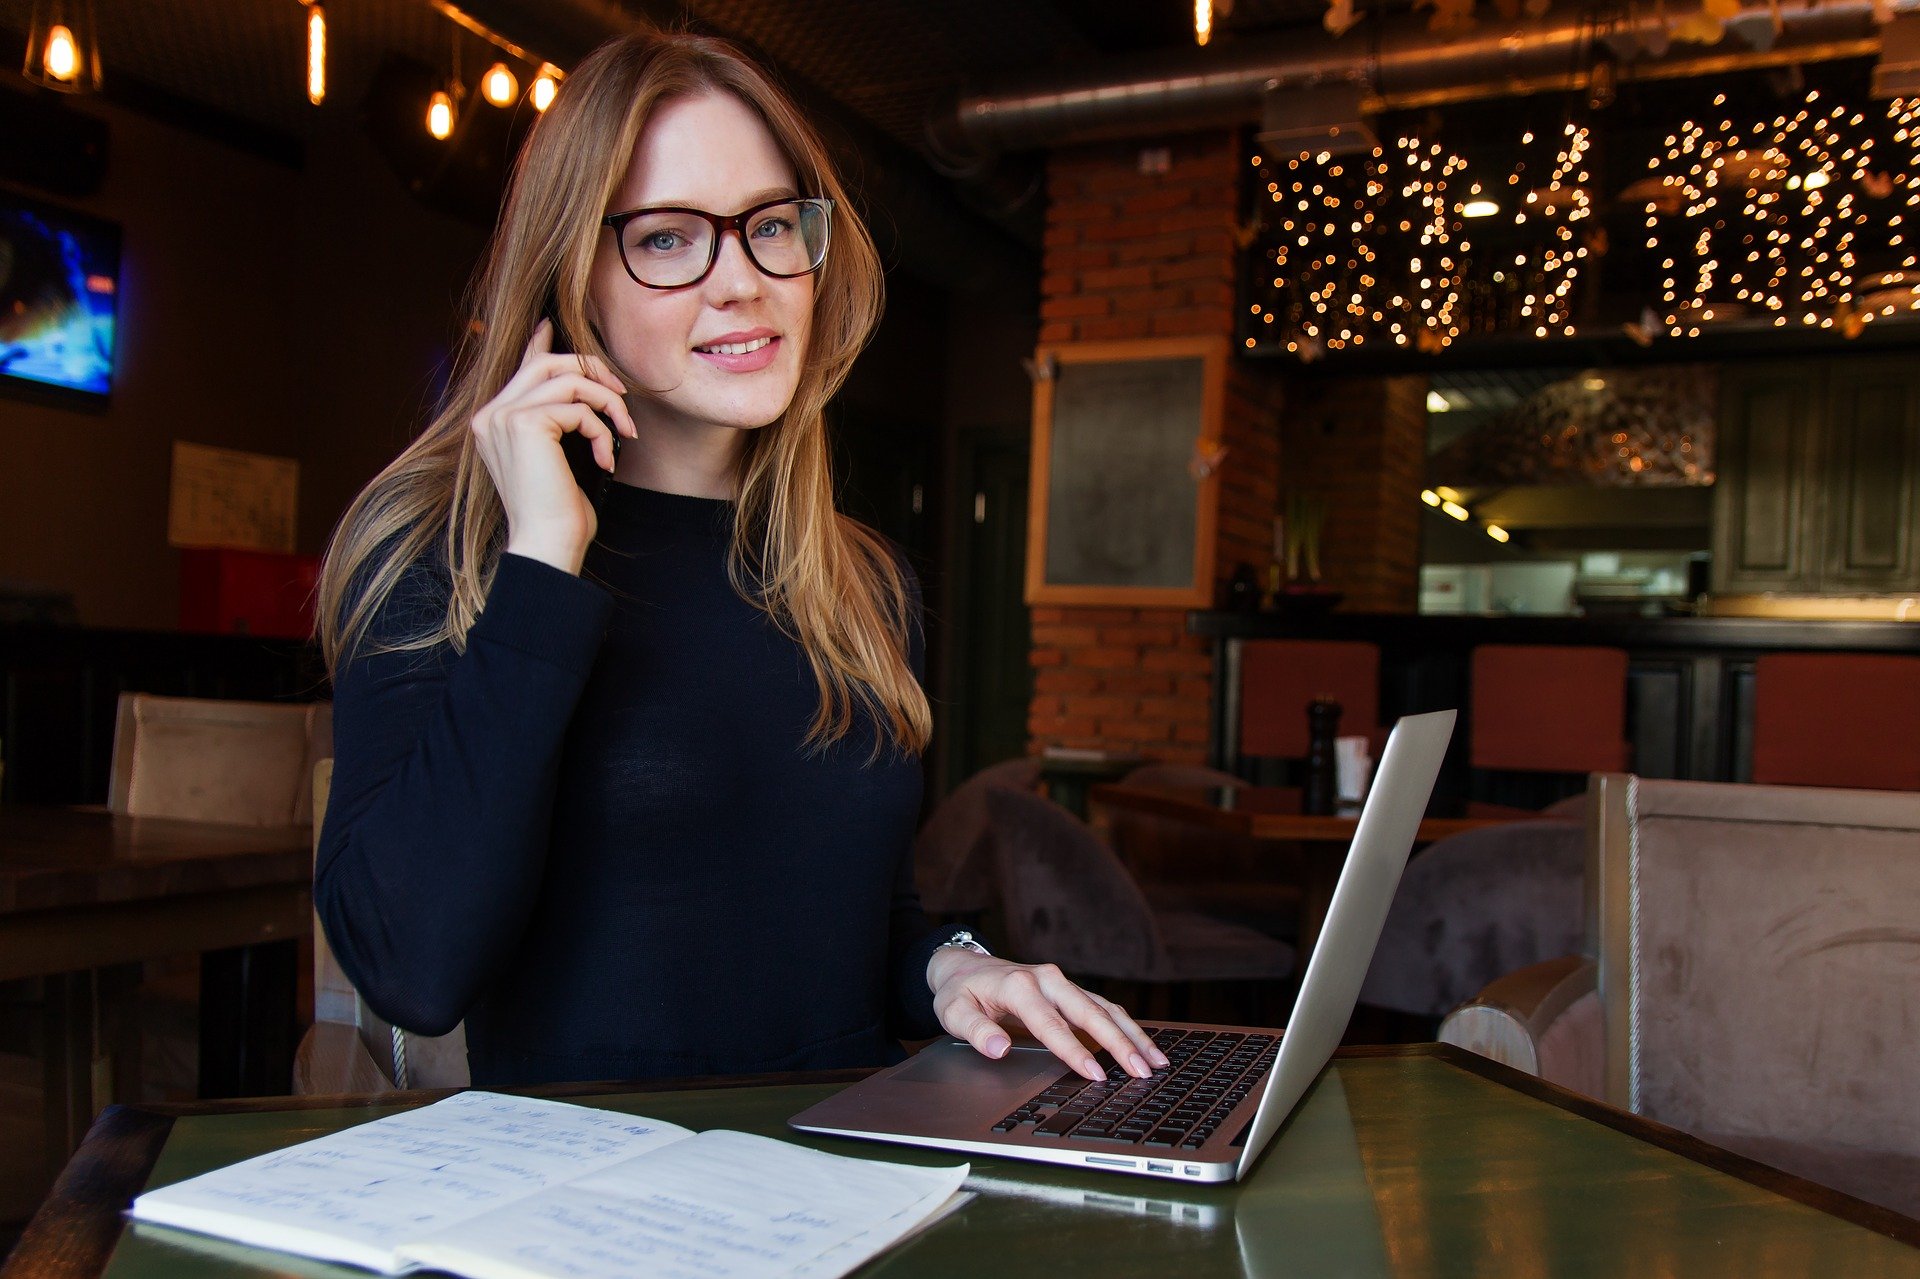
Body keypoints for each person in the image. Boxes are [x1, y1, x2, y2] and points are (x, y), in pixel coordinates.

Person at [312, 29, 1169, 1089]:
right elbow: (411, 968)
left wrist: (948, 970)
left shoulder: (857, 581)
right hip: (600, 1214)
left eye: (770, 226)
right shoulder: (438, 558)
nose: (743, 282)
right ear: (570, 274)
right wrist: (542, 561)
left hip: (849, 1182)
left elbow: (847, 926)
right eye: (670, 239)